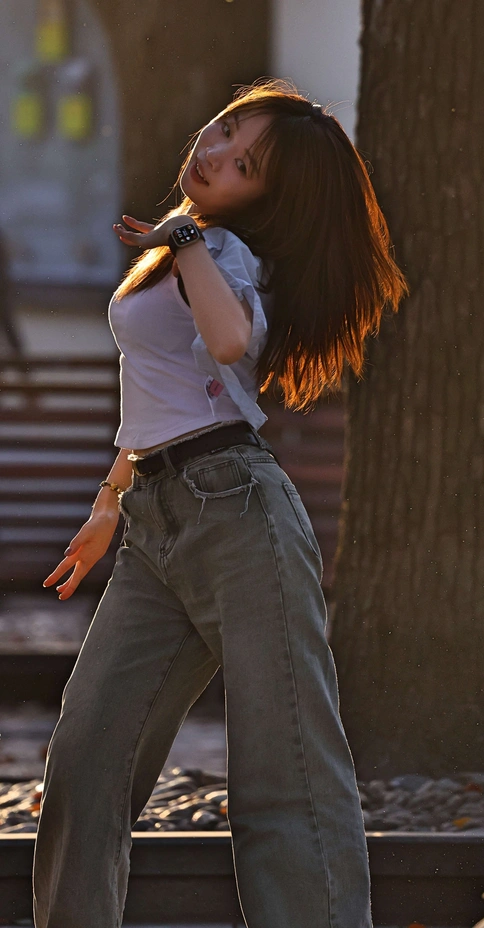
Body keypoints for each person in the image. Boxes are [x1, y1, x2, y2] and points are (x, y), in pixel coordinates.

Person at [32, 79, 409, 928]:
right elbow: (165, 389)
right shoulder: (188, 247)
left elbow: (230, 339)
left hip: (238, 515)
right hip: (155, 522)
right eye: (227, 130)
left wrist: (187, 236)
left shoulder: (221, 251)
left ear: (265, 199)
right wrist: (109, 500)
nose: (215, 153)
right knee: (88, 758)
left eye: (244, 164)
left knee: (285, 772)